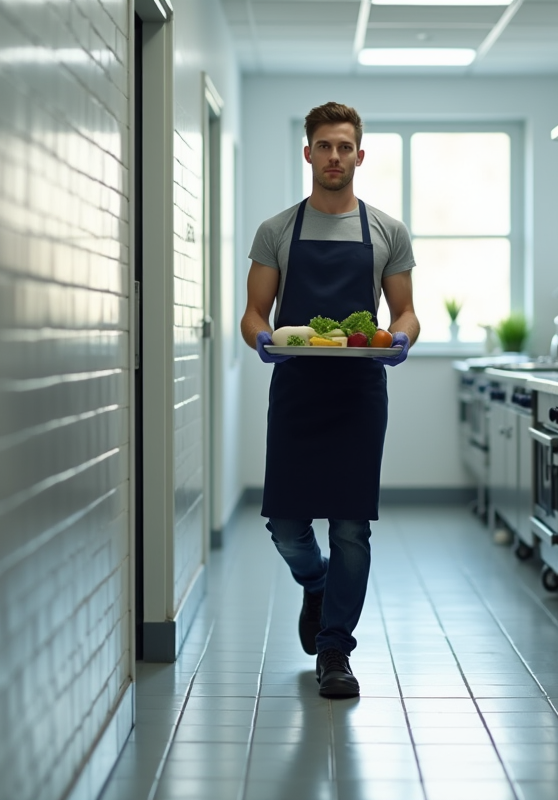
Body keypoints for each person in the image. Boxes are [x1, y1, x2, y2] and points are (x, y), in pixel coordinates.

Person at [240, 101, 419, 698]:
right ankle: (315, 584)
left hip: (358, 393)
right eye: (325, 146)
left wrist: (401, 340)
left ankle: (335, 649)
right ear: (308, 153)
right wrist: (262, 339)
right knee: (287, 526)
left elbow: (406, 313)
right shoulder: (277, 231)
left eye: (345, 147)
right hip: (296, 388)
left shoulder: (387, 231)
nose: (334, 157)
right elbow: (253, 313)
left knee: (350, 526)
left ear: (359, 155)